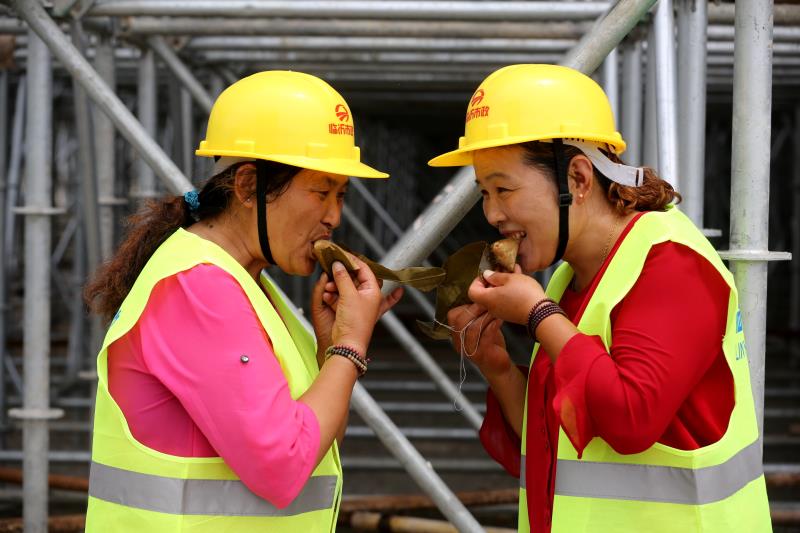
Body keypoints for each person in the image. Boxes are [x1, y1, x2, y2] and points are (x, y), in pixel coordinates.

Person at [429, 64, 771, 532]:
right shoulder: (568, 279)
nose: (492, 213)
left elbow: (630, 419)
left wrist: (537, 316)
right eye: (484, 193)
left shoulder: (671, 265)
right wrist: (499, 368)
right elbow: (559, 446)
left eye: (504, 189)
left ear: (578, 179)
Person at [83, 71, 403, 532]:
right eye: (320, 190)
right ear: (249, 186)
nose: (334, 216)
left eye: (341, 195)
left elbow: (315, 445)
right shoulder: (199, 288)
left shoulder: (246, 284)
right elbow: (284, 464)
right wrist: (350, 348)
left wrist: (330, 350)